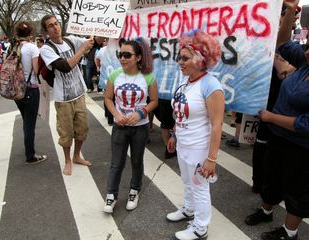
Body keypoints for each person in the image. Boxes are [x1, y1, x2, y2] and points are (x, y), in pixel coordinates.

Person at [245, 1, 309, 240]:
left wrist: (271, 117)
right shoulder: (304, 64)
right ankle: (265, 210)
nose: (307, 52)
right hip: (278, 138)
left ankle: (289, 232)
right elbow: (282, 42)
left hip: (302, 147)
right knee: (271, 177)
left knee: (297, 190)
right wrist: (291, 10)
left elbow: (305, 125)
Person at [166, 31, 224, 240]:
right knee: (187, 182)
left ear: (200, 59)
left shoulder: (211, 86)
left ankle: (200, 228)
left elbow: (217, 125)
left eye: (185, 58)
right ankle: (188, 210)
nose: (179, 61)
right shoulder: (186, 82)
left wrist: (211, 159)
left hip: (200, 149)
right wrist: (173, 134)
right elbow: (180, 114)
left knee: (200, 188)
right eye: (179, 57)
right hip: (183, 144)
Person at [103, 37, 158, 213]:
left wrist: (140, 113)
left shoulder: (148, 77)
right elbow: (108, 98)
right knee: (116, 163)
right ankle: (111, 195)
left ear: (139, 57)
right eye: (120, 54)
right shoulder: (115, 75)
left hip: (140, 127)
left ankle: (135, 191)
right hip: (120, 126)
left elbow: (154, 101)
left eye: (127, 55)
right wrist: (116, 115)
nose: (123, 58)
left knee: (136, 161)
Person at [40, 15, 94, 175]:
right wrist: (83, 49)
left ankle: (77, 155)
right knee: (66, 132)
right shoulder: (46, 49)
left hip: (79, 94)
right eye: (51, 26)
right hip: (63, 98)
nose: (55, 27)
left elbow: (90, 43)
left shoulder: (70, 40)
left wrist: (95, 34)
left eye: (56, 24)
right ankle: (68, 160)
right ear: (46, 30)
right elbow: (64, 66)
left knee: (82, 129)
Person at [13, 21, 47, 164]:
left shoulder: (12, 47)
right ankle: (30, 155)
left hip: (17, 89)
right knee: (30, 123)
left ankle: (28, 148)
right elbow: (36, 69)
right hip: (30, 88)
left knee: (26, 119)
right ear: (30, 33)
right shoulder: (32, 48)